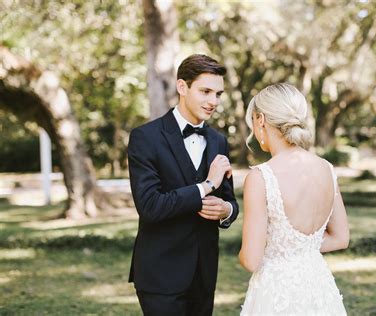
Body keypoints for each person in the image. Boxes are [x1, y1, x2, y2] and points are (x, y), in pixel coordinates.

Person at [127, 54, 239, 316]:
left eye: (218, 94)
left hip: (204, 273)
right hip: (160, 273)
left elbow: (230, 201)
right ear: (182, 87)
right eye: (206, 91)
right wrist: (207, 184)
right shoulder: (146, 137)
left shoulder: (218, 141)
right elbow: (150, 206)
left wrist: (226, 211)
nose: (213, 102)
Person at [239, 83, 349, 315]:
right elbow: (340, 238)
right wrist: (298, 249)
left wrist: (280, 250)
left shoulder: (261, 178)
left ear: (261, 120)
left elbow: (250, 260)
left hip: (276, 292)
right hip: (318, 286)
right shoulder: (326, 169)